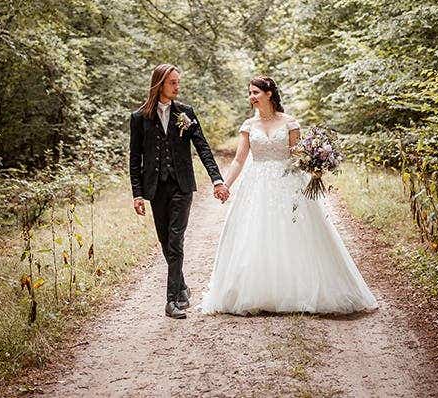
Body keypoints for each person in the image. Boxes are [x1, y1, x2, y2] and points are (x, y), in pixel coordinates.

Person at [200, 75, 379, 316]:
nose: (252, 97)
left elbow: (298, 156)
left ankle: (299, 290)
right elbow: (239, 160)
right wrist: (225, 184)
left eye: (256, 92)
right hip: (257, 184)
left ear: (269, 93)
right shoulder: (248, 126)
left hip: (288, 182)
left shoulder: (289, 122)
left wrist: (315, 166)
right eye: (250, 93)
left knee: (295, 232)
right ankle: (260, 291)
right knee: (257, 233)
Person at [129, 63, 229, 319]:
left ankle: (171, 300)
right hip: (155, 188)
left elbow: (203, 147)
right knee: (165, 241)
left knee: (175, 240)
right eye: (172, 82)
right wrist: (137, 193)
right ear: (159, 84)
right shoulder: (140, 117)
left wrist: (217, 179)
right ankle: (181, 285)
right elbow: (135, 158)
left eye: (178, 82)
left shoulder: (186, 112)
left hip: (182, 186)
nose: (177, 86)